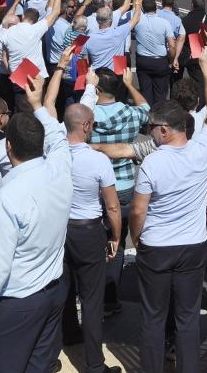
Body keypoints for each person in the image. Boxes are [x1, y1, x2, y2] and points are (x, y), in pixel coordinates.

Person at [0, 77, 72, 371]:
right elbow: (59, 139)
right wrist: (38, 105)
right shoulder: (60, 170)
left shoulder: (7, 196)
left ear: (8, 147)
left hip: (19, 299)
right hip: (54, 290)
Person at [129, 42, 207, 373]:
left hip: (156, 247)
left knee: (153, 318)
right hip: (193, 246)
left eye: (153, 127)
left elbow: (138, 212)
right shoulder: (201, 150)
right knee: (187, 318)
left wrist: (136, 238)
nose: (150, 132)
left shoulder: (153, 163)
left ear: (165, 130)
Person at [57, 74, 122, 373]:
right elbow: (111, 205)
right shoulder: (97, 161)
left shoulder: (54, 154)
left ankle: (69, 334)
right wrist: (117, 237)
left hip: (61, 230)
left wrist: (88, 89)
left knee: (65, 287)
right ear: (85, 127)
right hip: (89, 230)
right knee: (93, 299)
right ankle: (95, 364)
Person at [90, 67, 150, 313]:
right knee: (118, 242)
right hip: (124, 187)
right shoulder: (131, 114)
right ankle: (110, 299)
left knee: (94, 244)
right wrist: (131, 85)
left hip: (94, 188)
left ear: (96, 90)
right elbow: (147, 109)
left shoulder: (86, 115)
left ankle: (91, 296)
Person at [133, 0, 175, 105]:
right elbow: (172, 45)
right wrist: (171, 60)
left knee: (145, 92)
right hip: (160, 62)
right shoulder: (164, 22)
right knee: (160, 93)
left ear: (143, 9)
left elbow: (136, 7)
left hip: (143, 61)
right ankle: (159, 117)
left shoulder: (137, 20)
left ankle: (147, 117)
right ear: (156, 8)